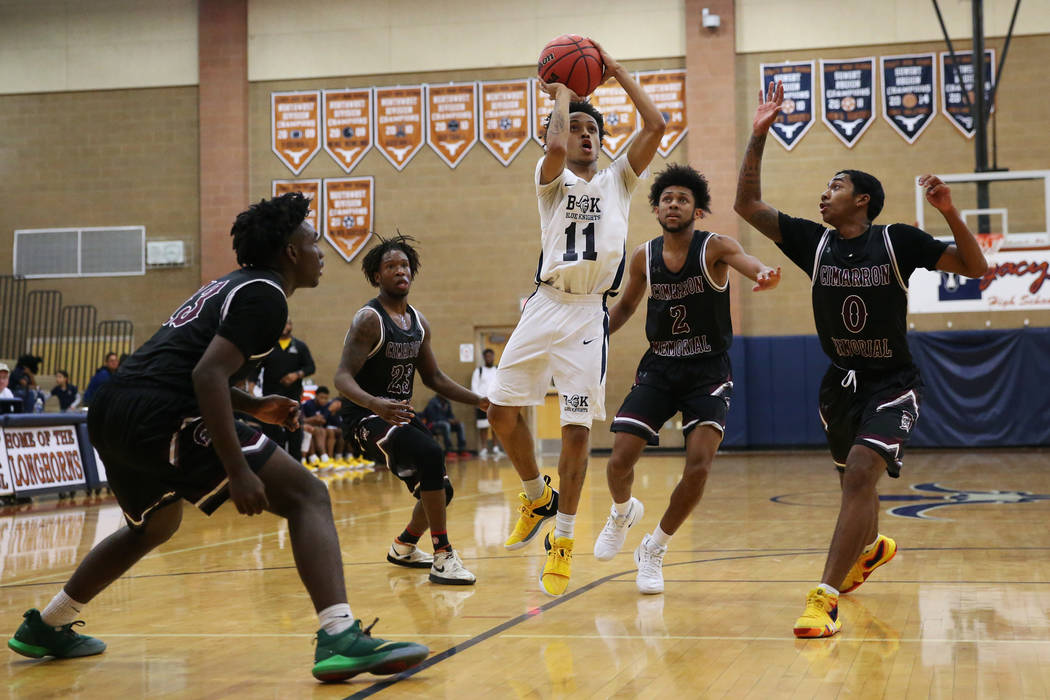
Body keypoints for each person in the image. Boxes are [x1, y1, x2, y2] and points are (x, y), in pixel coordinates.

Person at [6, 192, 429, 682]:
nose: (321, 253)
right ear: (290, 251)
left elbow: (192, 369)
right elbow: (207, 377)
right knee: (308, 495)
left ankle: (49, 624)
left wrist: (254, 406)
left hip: (110, 410)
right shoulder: (266, 295)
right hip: (157, 412)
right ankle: (339, 634)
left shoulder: (235, 285)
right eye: (314, 242)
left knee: (154, 525)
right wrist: (237, 469)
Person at [734, 81, 988, 638]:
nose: (825, 195)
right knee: (858, 486)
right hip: (839, 384)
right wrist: (758, 135)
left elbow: (976, 268)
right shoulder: (813, 243)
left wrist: (949, 212)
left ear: (862, 200)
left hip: (892, 380)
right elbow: (746, 206)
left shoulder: (897, 241)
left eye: (836, 186)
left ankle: (821, 600)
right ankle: (871, 549)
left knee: (859, 479)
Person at [486, 40, 666, 597]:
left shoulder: (618, 181)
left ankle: (562, 539)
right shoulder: (551, 179)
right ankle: (535, 493)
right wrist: (567, 89)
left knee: (574, 430)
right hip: (544, 304)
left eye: (594, 129)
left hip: (589, 314)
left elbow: (656, 124)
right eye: (576, 127)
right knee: (499, 411)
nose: (585, 135)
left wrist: (614, 71)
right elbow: (556, 141)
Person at [592, 164, 781, 593]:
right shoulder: (643, 255)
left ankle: (655, 547)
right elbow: (622, 309)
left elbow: (745, 261)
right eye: (667, 199)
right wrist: (590, 336)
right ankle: (623, 512)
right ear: (656, 208)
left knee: (698, 467)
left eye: (683, 199)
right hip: (659, 365)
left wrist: (763, 274)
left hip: (707, 371)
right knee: (619, 459)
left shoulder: (714, 246)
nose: (673, 204)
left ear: (697, 211)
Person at [335, 234, 486, 586]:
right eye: (390, 266)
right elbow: (341, 377)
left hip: (397, 415)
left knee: (441, 491)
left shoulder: (418, 323)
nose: (399, 271)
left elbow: (433, 377)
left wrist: (479, 399)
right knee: (432, 454)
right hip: (364, 416)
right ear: (377, 276)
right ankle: (443, 555)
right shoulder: (369, 320)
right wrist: (376, 404)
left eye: (404, 265)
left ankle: (403, 546)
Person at [260, 319, 315, 461]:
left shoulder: (300, 346)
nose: (286, 326)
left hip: (292, 399)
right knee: (272, 435)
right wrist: (252, 385)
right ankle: (274, 467)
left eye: (288, 323)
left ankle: (296, 469)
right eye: (283, 323)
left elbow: (311, 367)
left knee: (295, 435)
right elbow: (256, 368)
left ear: (291, 326)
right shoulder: (268, 346)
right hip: (270, 398)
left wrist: (297, 375)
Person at [471, 349, 504, 458]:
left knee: (495, 426)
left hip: (495, 402)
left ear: (493, 357)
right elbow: (474, 387)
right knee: (483, 426)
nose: (489, 358)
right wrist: (481, 399)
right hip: (482, 403)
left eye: (491, 356)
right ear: (484, 358)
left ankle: (495, 448)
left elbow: (501, 385)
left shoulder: (497, 370)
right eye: (487, 356)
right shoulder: (478, 371)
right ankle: (484, 448)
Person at [423, 394, 469, 459]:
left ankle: (462, 449)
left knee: (460, 425)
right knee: (446, 425)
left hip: (445, 423)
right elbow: (432, 418)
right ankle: (449, 450)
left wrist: (454, 420)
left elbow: (450, 415)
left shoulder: (447, 403)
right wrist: (448, 420)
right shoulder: (432, 402)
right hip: (433, 425)